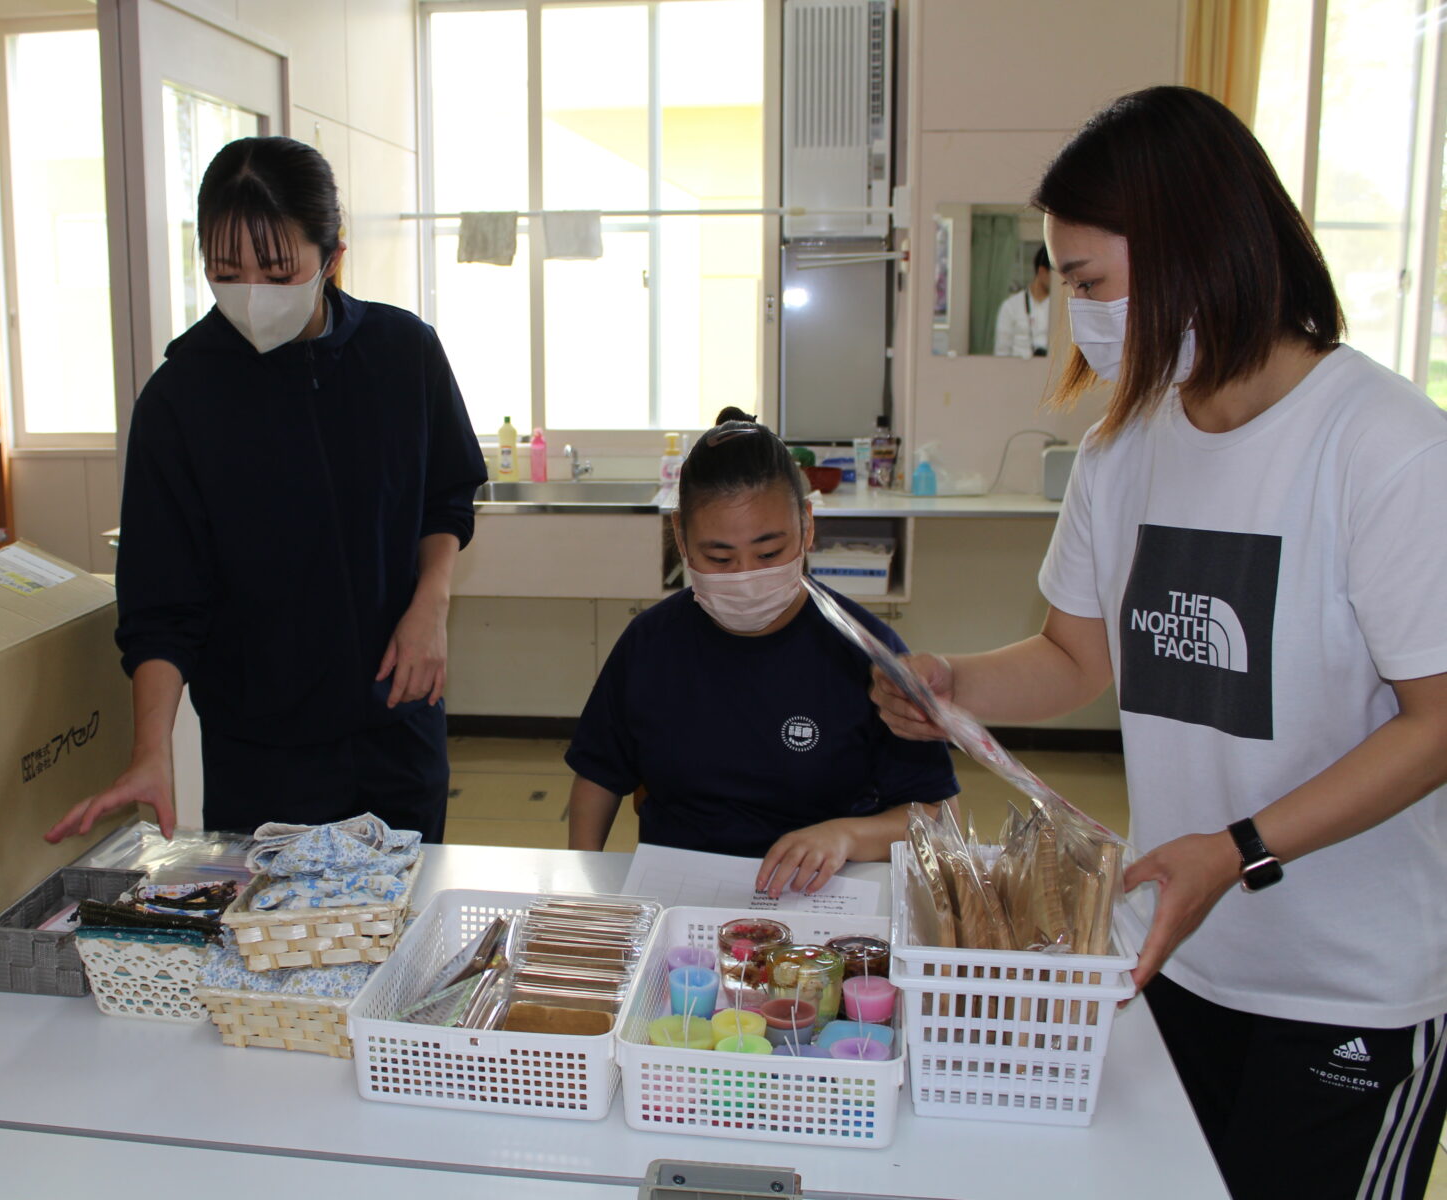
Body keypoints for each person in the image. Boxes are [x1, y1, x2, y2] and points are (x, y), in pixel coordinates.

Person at [872, 87, 1447, 1200]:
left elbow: (1439, 722)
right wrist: (950, 683)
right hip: (1177, 950)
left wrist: (1239, 848)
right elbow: (1078, 656)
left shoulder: (1383, 448)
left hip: (1349, 989)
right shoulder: (1125, 447)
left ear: (1195, 246)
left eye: (1090, 284)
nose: (1075, 314)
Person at [46, 136, 485, 848]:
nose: (252, 293)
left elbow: (447, 495)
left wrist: (431, 605)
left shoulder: (403, 355)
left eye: (279, 271)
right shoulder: (181, 400)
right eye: (227, 271)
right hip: (264, 756)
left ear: (333, 259)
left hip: (397, 727)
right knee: (273, 945)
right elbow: (160, 606)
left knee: (400, 929)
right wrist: (150, 750)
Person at [567, 407, 959, 897]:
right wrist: (582, 890)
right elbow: (598, 777)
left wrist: (847, 835)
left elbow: (941, 817)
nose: (746, 577)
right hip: (679, 892)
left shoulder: (864, 652)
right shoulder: (650, 646)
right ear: (681, 541)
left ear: (807, 525)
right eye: (719, 557)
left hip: (821, 901)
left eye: (769, 553)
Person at [991, 244, 1052, 357]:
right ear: (1042, 272)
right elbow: (1001, 352)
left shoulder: (1060, 307)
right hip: (1015, 371)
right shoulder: (1011, 306)